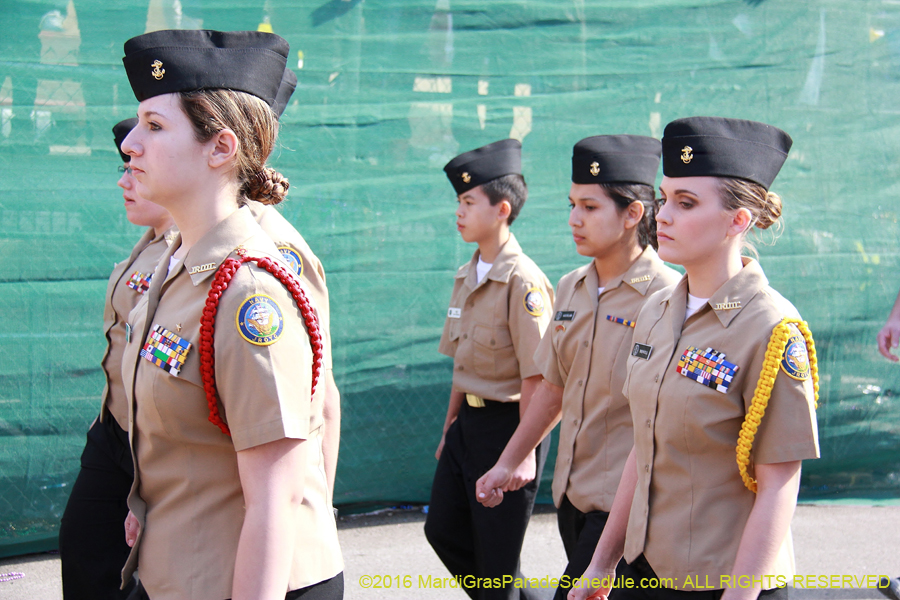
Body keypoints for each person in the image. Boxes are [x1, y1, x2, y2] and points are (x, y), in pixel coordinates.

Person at [117, 29, 342, 599]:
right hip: (178, 571)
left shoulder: (248, 293)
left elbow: (276, 496)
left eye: (156, 125)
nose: (130, 144)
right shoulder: (178, 262)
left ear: (220, 149)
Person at [569, 117, 820, 600]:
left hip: (722, 580)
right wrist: (602, 563)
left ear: (737, 221)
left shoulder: (772, 329)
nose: (662, 216)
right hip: (645, 570)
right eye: (665, 199)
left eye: (686, 204)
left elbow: (779, 485)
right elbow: (643, 446)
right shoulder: (658, 309)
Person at [475, 135, 681, 600]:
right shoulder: (571, 286)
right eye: (572, 205)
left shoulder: (668, 296)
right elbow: (553, 387)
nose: (573, 219)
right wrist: (510, 461)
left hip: (627, 505)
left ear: (633, 215)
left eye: (589, 207)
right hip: (572, 494)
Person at [424, 139, 554, 600]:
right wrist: (448, 430)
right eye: (458, 202)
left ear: (501, 209)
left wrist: (522, 454)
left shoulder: (523, 281)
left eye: (467, 202)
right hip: (469, 426)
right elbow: (462, 363)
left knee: (498, 562)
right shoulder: (468, 274)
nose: (458, 212)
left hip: (509, 426)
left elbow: (537, 376)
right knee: (442, 531)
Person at [57, 118, 175, 600]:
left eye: (136, 170)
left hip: (158, 443)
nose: (124, 181)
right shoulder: (147, 244)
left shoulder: (194, 255)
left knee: (144, 576)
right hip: (114, 432)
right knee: (84, 550)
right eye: (125, 167)